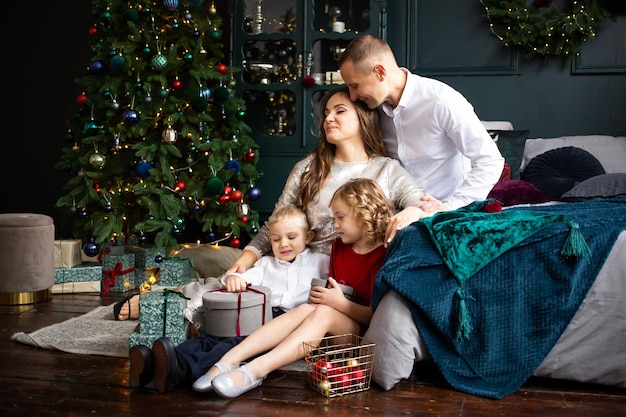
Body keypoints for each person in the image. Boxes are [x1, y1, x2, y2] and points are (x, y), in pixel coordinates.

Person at [113, 85, 430, 320]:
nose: (328, 119)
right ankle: (165, 302)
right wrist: (248, 257)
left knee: (234, 285)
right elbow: (277, 221)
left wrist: (413, 211)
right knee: (223, 274)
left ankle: (181, 301)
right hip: (290, 258)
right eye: (326, 113)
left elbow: (423, 205)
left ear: (362, 117)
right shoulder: (309, 167)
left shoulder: (386, 170)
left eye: (339, 111)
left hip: (335, 273)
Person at [207, 177, 395, 398]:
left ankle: (255, 370)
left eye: (340, 217)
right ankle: (228, 360)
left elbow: (378, 316)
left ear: (364, 213)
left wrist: (339, 303)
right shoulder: (339, 249)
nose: (334, 225)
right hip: (330, 332)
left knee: (323, 312)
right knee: (308, 309)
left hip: (362, 336)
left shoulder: (383, 254)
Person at [128, 204, 330, 393]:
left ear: (308, 236)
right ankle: (159, 362)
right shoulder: (266, 264)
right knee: (214, 337)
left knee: (232, 343)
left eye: (291, 237)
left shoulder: (319, 262)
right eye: (276, 239)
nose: (283, 244)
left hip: (287, 325)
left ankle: (180, 369)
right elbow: (238, 276)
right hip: (257, 314)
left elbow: (336, 284)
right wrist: (234, 279)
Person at [338, 34, 505, 212]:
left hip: (444, 212)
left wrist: (452, 207)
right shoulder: (369, 110)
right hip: (395, 212)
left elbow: (490, 160)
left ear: (380, 72)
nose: (353, 96)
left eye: (355, 85)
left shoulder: (441, 100)